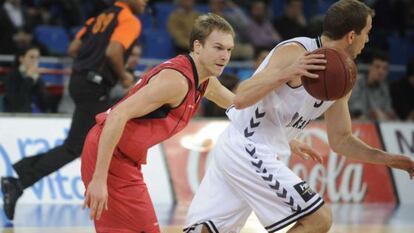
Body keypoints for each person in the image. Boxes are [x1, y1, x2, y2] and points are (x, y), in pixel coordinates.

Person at [185, 1, 414, 233]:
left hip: (253, 152)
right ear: (352, 36)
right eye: (367, 33)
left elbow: (341, 140)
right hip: (248, 148)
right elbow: (241, 97)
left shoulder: (342, 77)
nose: (368, 40)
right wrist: (289, 72)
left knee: (205, 230)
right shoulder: (295, 51)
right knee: (319, 219)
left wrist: (389, 159)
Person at [1, 0, 147, 220]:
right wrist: (124, 75)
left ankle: (21, 177)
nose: (146, 2)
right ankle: (19, 181)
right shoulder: (129, 20)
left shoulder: (97, 18)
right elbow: (113, 50)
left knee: (81, 144)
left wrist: (90, 61)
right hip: (95, 85)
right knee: (80, 146)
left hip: (79, 81)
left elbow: (73, 48)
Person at [348, 49, 397, 120]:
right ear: (370, 66)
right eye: (377, 67)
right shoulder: (357, 82)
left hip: (377, 125)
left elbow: (388, 110)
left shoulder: (384, 87)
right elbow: (355, 110)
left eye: (385, 68)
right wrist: (373, 114)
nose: (381, 71)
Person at [2, 45, 49, 113]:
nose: (35, 61)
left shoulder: (36, 77)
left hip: (30, 117)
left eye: (37, 58)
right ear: (21, 58)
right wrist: (29, 79)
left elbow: (45, 105)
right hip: (12, 118)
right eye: (31, 57)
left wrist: (38, 82)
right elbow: (16, 103)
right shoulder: (11, 76)